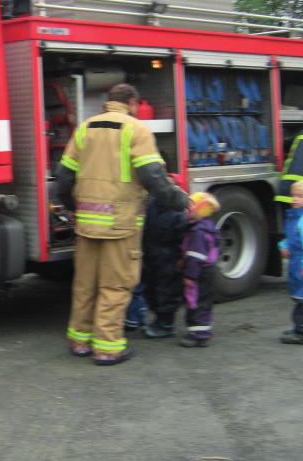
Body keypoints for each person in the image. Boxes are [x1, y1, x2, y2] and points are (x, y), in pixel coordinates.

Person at [56, 83, 189, 365]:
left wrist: (74, 206)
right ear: (132, 103)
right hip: (120, 224)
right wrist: (179, 200)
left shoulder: (85, 128)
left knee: (85, 284)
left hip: (86, 224)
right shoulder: (136, 129)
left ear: (108, 102)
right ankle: (107, 348)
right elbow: (153, 176)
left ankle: (79, 340)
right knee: (114, 286)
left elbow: (64, 176)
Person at [141, 182, 188, 339]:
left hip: (169, 259)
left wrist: (182, 259)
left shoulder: (177, 212)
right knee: (152, 288)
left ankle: (166, 324)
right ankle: (158, 319)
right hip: (153, 256)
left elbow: (183, 239)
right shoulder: (153, 205)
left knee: (167, 291)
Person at [178, 192, 221, 348]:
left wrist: (190, 276)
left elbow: (195, 256)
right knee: (201, 302)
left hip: (199, 273)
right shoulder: (206, 227)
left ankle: (199, 334)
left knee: (196, 302)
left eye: (189, 208)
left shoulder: (197, 232)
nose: (185, 211)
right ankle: (199, 330)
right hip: (206, 271)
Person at [277, 179, 303, 345]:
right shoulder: (295, 216)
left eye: (300, 196)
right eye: (293, 196)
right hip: (297, 263)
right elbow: (292, 236)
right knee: (301, 297)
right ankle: (301, 328)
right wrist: (284, 245)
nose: (295, 199)